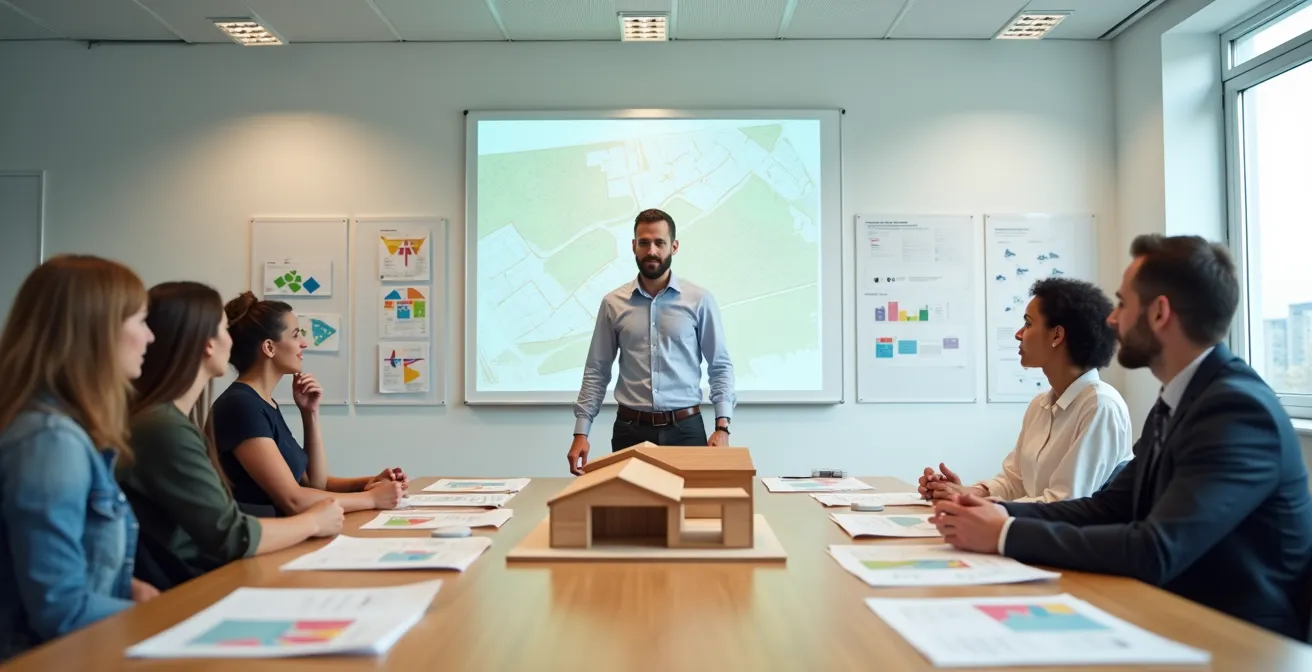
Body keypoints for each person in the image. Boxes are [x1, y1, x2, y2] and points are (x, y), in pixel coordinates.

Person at [931, 234, 1312, 639]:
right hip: (1174, 616)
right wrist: (995, 513)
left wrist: (1004, 533)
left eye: (1124, 304)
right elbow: (1106, 507)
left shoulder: (1236, 410)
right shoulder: (1177, 402)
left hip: (1236, 639)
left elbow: (1155, 549)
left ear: (1160, 312)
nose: (1111, 320)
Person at [117, 282, 344, 589]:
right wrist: (314, 521)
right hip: (191, 587)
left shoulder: (168, 422)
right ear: (208, 344)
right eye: (225, 329)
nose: (232, 341)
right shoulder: (164, 428)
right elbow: (230, 536)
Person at [0, 255, 160, 660]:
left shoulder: (62, 432)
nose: (150, 338)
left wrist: (127, 591)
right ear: (97, 331)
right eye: (140, 321)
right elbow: (62, 611)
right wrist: (172, 616)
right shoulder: (50, 441)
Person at [919, 278, 1132, 503]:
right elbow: (1015, 482)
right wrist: (967, 492)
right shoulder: (1040, 405)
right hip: (1034, 530)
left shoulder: (1100, 406)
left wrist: (979, 505)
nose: (1019, 334)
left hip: (1067, 536)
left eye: (1028, 324)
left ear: (1057, 336)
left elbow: (1065, 502)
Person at [567, 208, 736, 475]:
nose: (652, 250)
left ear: (674, 246)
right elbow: (597, 371)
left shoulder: (699, 300)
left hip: (687, 430)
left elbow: (720, 366)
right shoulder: (613, 303)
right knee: (631, 514)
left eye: (660, 242)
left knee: (689, 512)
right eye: (644, 243)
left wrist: (722, 426)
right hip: (630, 430)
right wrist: (581, 432)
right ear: (634, 246)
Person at [209, 292, 406, 517]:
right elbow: (294, 499)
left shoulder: (261, 402)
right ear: (269, 348)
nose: (303, 343)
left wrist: (310, 414)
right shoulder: (241, 407)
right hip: (261, 543)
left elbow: (314, 483)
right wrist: (371, 498)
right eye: (295, 335)